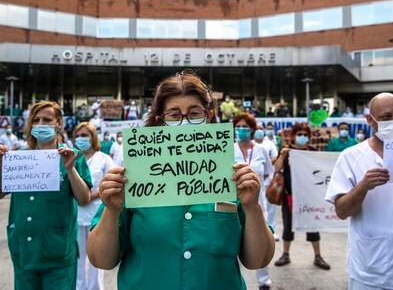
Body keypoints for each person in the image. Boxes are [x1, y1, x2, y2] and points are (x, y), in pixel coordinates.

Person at [87, 71, 275, 289]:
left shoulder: (234, 176)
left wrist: (253, 209)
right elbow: (100, 260)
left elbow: (258, 260)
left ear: (209, 116)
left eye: (195, 113)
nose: (185, 122)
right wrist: (111, 211)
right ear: (159, 120)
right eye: (174, 115)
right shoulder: (133, 178)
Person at [0, 101, 92, 290]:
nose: (41, 124)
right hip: (25, 252)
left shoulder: (73, 156)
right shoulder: (18, 159)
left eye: (47, 119)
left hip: (58, 254)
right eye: (36, 120)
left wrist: (70, 170)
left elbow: (84, 199)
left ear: (58, 123)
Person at [325, 93, 393, 290]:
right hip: (370, 269)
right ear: (369, 120)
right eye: (385, 117)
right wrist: (362, 187)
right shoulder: (351, 156)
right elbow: (341, 211)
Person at [273, 123, 330, 270]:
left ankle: (318, 256)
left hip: (309, 196)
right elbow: (277, 168)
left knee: (312, 226)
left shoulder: (312, 151)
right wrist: (282, 155)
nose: (302, 137)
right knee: (287, 226)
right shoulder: (287, 151)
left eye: (305, 134)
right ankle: (285, 254)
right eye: (300, 134)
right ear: (293, 136)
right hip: (289, 196)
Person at [233, 114, 274, 290]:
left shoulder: (260, 149)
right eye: (238, 126)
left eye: (245, 126)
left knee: (260, 238)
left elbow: (268, 173)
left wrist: (259, 189)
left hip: (256, 200)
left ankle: (263, 281)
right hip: (232, 203)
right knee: (235, 240)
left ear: (251, 129)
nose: (241, 130)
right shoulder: (227, 149)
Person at [73, 122, 115, 290]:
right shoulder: (72, 157)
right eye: (77, 135)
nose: (80, 139)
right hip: (76, 213)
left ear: (93, 137)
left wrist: (92, 195)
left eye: (85, 135)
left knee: (96, 257)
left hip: (96, 212)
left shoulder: (104, 159)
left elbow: (110, 182)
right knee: (78, 257)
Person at [254, 124, 279, 242]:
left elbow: (274, 157)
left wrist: (265, 162)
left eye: (260, 129)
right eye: (257, 129)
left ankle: (271, 230)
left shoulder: (269, 144)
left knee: (270, 207)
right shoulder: (251, 144)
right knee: (259, 207)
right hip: (257, 182)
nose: (259, 131)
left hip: (269, 180)